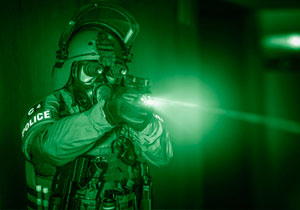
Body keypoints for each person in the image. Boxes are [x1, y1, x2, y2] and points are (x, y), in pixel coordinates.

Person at [20, 3, 173, 210]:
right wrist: (106, 114)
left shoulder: (127, 108)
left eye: (113, 71)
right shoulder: (52, 105)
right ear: (70, 70)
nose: (105, 83)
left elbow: (162, 157)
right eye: (93, 70)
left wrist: (144, 124)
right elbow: (49, 150)